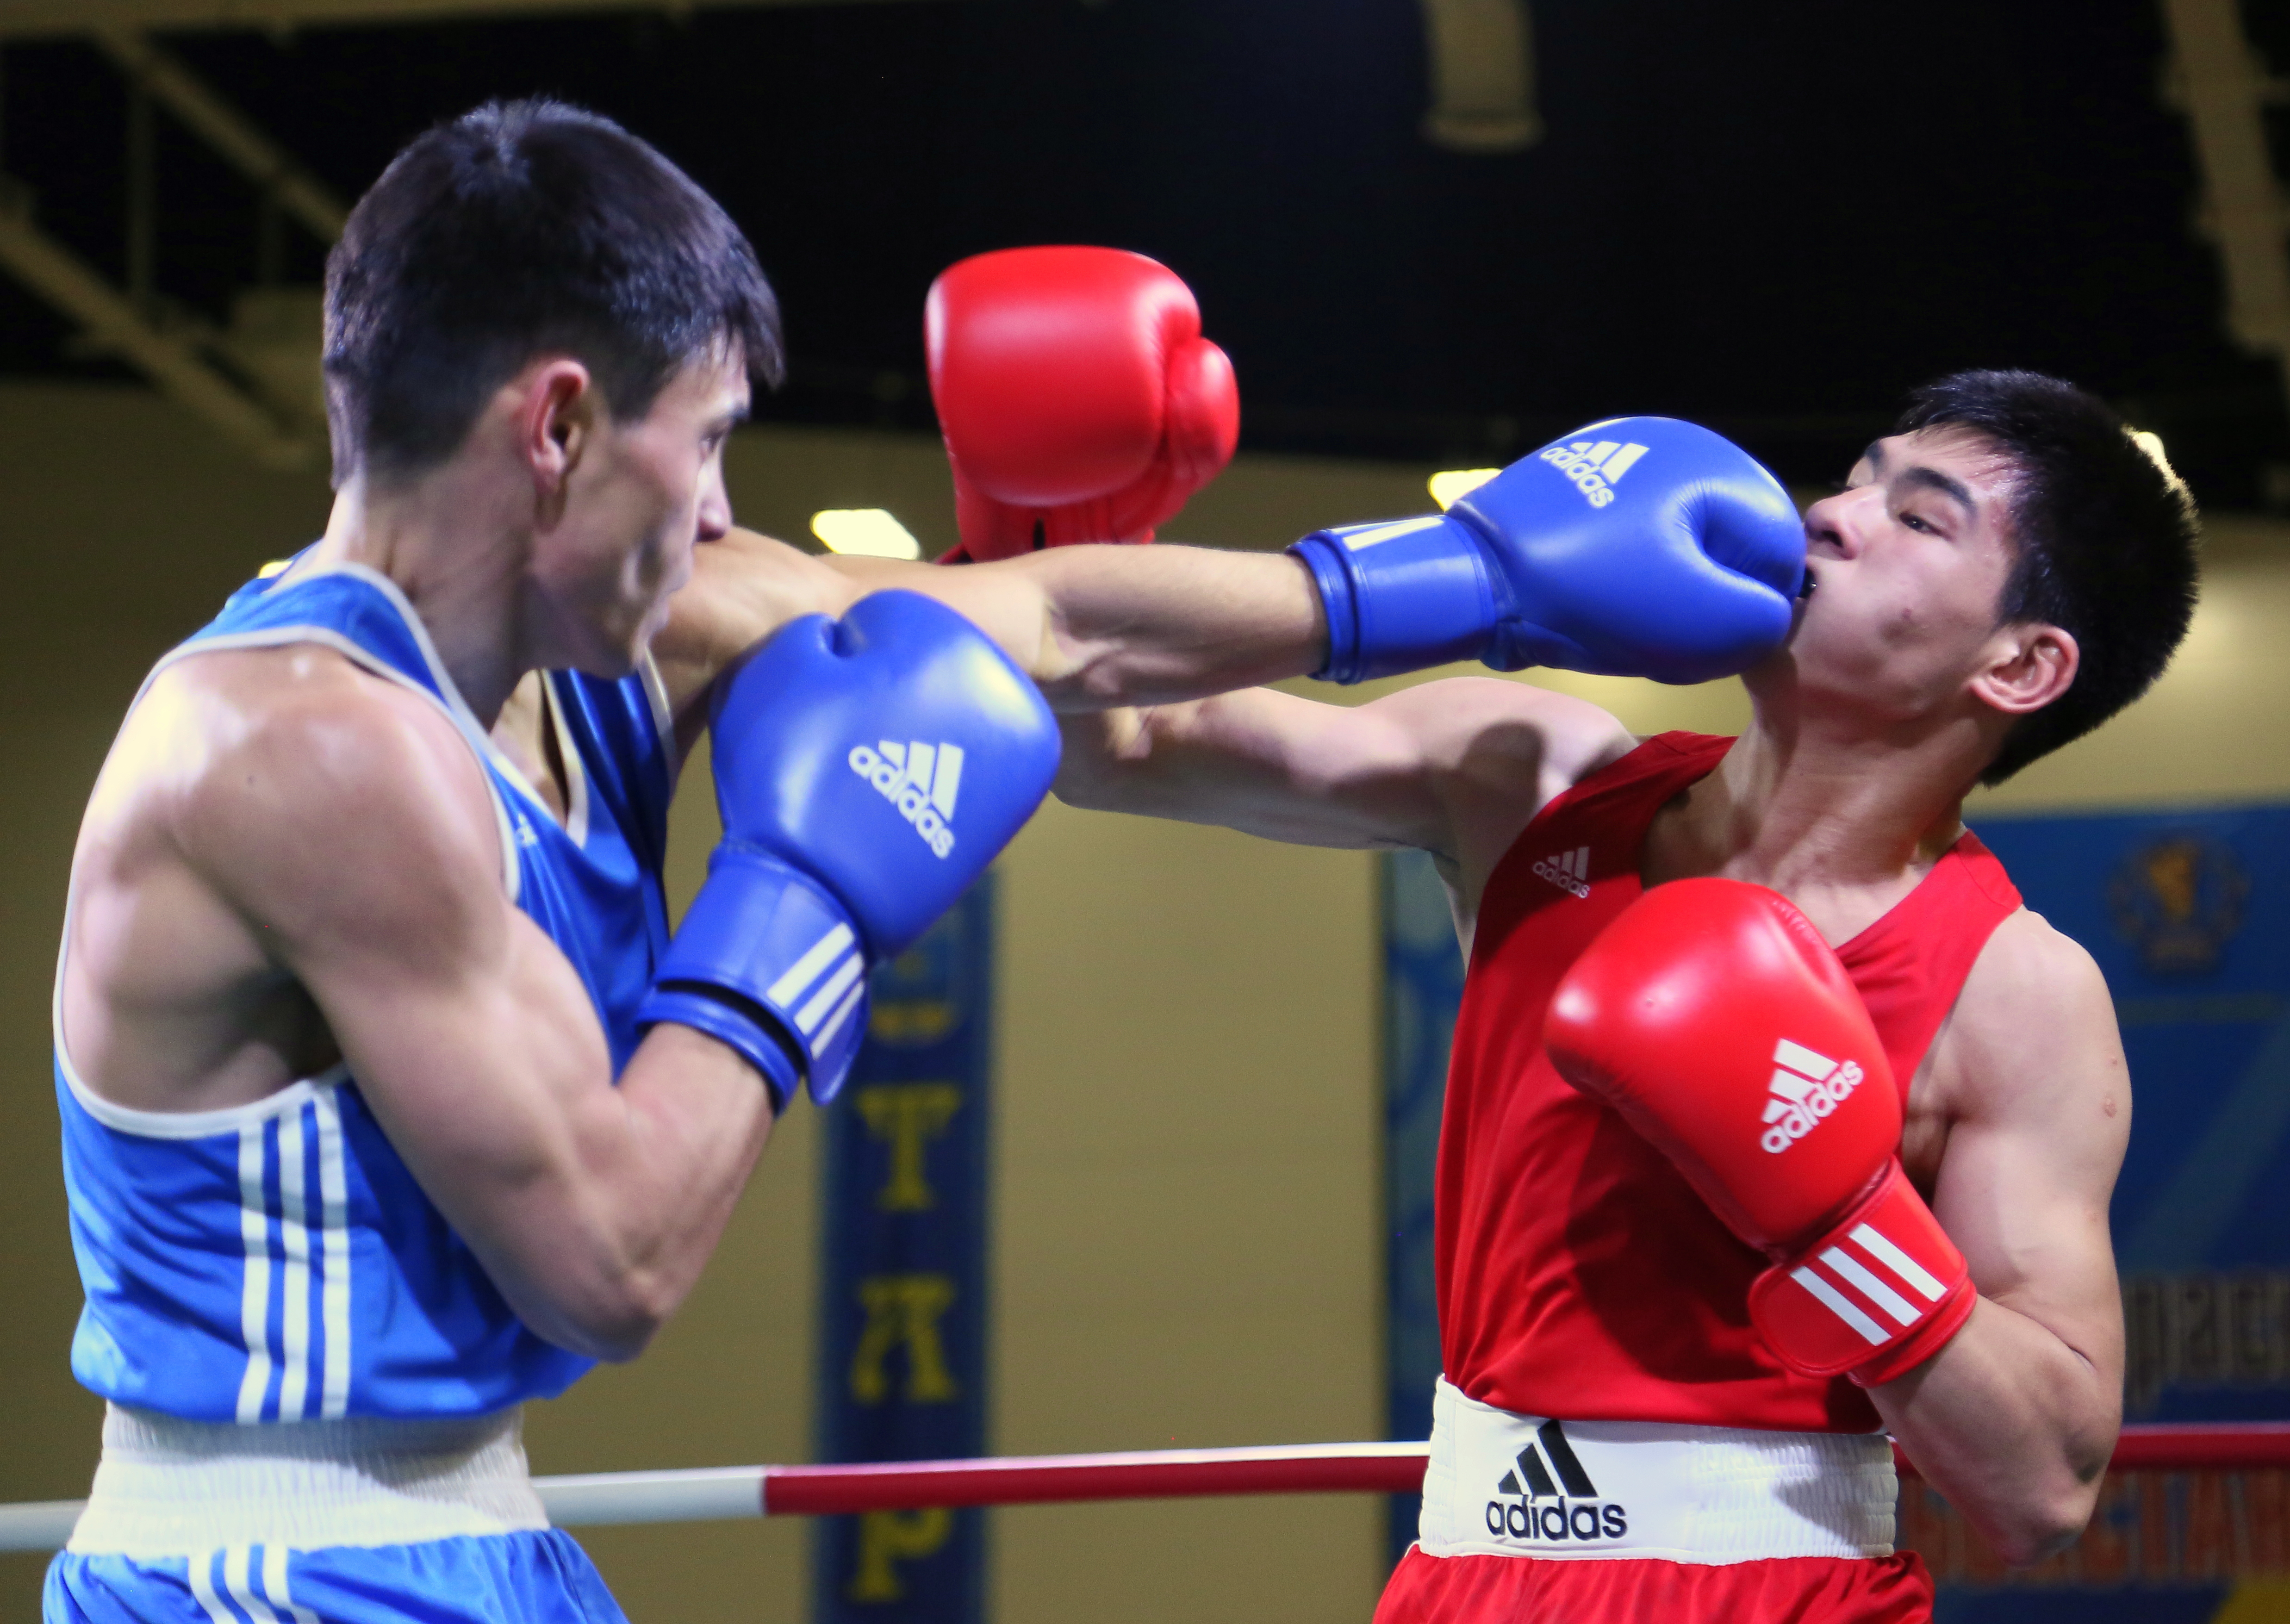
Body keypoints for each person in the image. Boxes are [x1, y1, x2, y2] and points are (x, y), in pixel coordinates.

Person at [729, 281, 2197, 1617]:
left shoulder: (2015, 989)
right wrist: (1039, 527)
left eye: (1917, 517)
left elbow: (2042, 1486)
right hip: (1468, 1580)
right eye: (1856, 477)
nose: (1830, 514)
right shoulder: (1536, 776)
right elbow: (1122, 745)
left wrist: (1836, 1214)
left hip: (1780, 1592)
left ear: (2017, 665)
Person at [41, 99, 1084, 1624]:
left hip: (485, 1532)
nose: (724, 510)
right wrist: (798, 905)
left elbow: (1068, 628)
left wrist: (1445, 585)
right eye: (713, 439)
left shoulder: (588, 660)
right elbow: (607, 1265)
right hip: (264, 1568)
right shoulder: (303, 743)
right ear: (562, 427)